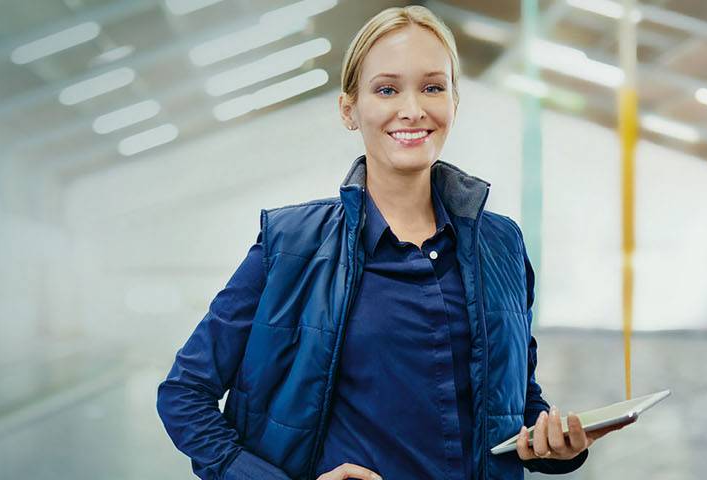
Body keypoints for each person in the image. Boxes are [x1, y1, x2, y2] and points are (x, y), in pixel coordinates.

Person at [154, 6, 622, 479]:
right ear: (349, 110)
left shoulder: (500, 244)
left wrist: (555, 445)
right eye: (387, 89)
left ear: (454, 104)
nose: (413, 109)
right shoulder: (291, 245)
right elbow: (184, 394)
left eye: (433, 87)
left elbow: (516, 402)